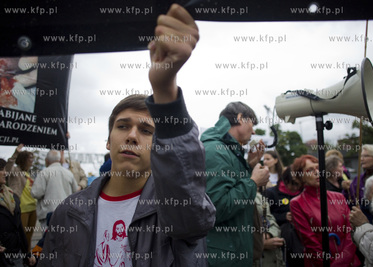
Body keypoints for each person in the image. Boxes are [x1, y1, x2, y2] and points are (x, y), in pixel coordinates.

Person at [38, 4, 215, 266]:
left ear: (159, 146)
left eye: (146, 130)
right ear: (109, 141)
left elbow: (192, 217)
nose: (132, 136)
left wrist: (164, 89)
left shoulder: (173, 209)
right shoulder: (69, 211)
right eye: (122, 126)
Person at [200, 101, 270, 267]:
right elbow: (217, 207)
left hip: (230, 252)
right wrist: (253, 182)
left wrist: (250, 165)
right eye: (252, 124)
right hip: (223, 258)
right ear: (240, 118)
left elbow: (231, 189)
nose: (253, 131)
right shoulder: (216, 150)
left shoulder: (226, 150)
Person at [290, 155, 360, 267]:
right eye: (310, 170)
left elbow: (350, 232)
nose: (317, 172)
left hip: (350, 262)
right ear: (301, 176)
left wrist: (343, 260)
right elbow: (310, 242)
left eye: (318, 168)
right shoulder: (297, 203)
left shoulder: (339, 197)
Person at [263, 166, 303, 267]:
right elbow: (265, 217)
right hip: (281, 236)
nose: (295, 188)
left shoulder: (302, 193)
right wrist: (284, 216)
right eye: (293, 184)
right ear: (285, 180)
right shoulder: (271, 193)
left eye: (299, 184)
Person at [0, 158, 36, 267]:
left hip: (15, 252)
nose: (5, 173)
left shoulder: (10, 195)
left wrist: (27, 253)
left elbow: (19, 227)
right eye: (2, 169)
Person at [31, 150, 78, 229]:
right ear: (59, 160)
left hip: (48, 214)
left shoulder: (44, 173)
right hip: (66, 213)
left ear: (46, 160)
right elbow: (76, 191)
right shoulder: (68, 173)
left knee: (48, 239)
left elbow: (36, 193)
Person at [5, 144, 37, 251]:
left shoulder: (28, 173)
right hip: (22, 208)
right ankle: (20, 257)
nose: (32, 161)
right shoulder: (15, 170)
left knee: (29, 236)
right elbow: (7, 168)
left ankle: (27, 257)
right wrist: (16, 153)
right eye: (30, 159)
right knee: (21, 236)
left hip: (32, 207)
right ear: (23, 159)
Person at [343, 144, 373, 223]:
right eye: (361, 156)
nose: (362, 159)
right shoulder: (358, 179)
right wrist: (346, 190)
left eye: (366, 156)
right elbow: (350, 203)